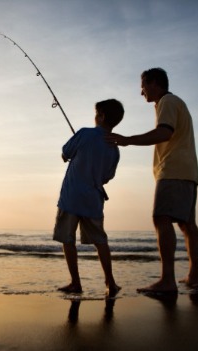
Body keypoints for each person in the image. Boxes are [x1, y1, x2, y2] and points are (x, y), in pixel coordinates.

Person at [106, 68, 198, 294]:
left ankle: (167, 280)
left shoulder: (167, 101)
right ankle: (194, 276)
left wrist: (127, 140)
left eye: (143, 86)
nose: (141, 92)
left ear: (154, 83)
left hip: (173, 170)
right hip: (188, 172)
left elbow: (164, 133)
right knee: (187, 224)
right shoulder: (176, 102)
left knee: (161, 218)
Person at [53, 99, 124, 297]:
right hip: (93, 199)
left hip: (71, 197)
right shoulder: (114, 148)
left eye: (96, 113)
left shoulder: (84, 133)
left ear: (101, 116)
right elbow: (107, 177)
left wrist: (70, 156)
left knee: (68, 239)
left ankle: (76, 283)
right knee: (100, 240)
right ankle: (110, 282)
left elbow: (64, 153)